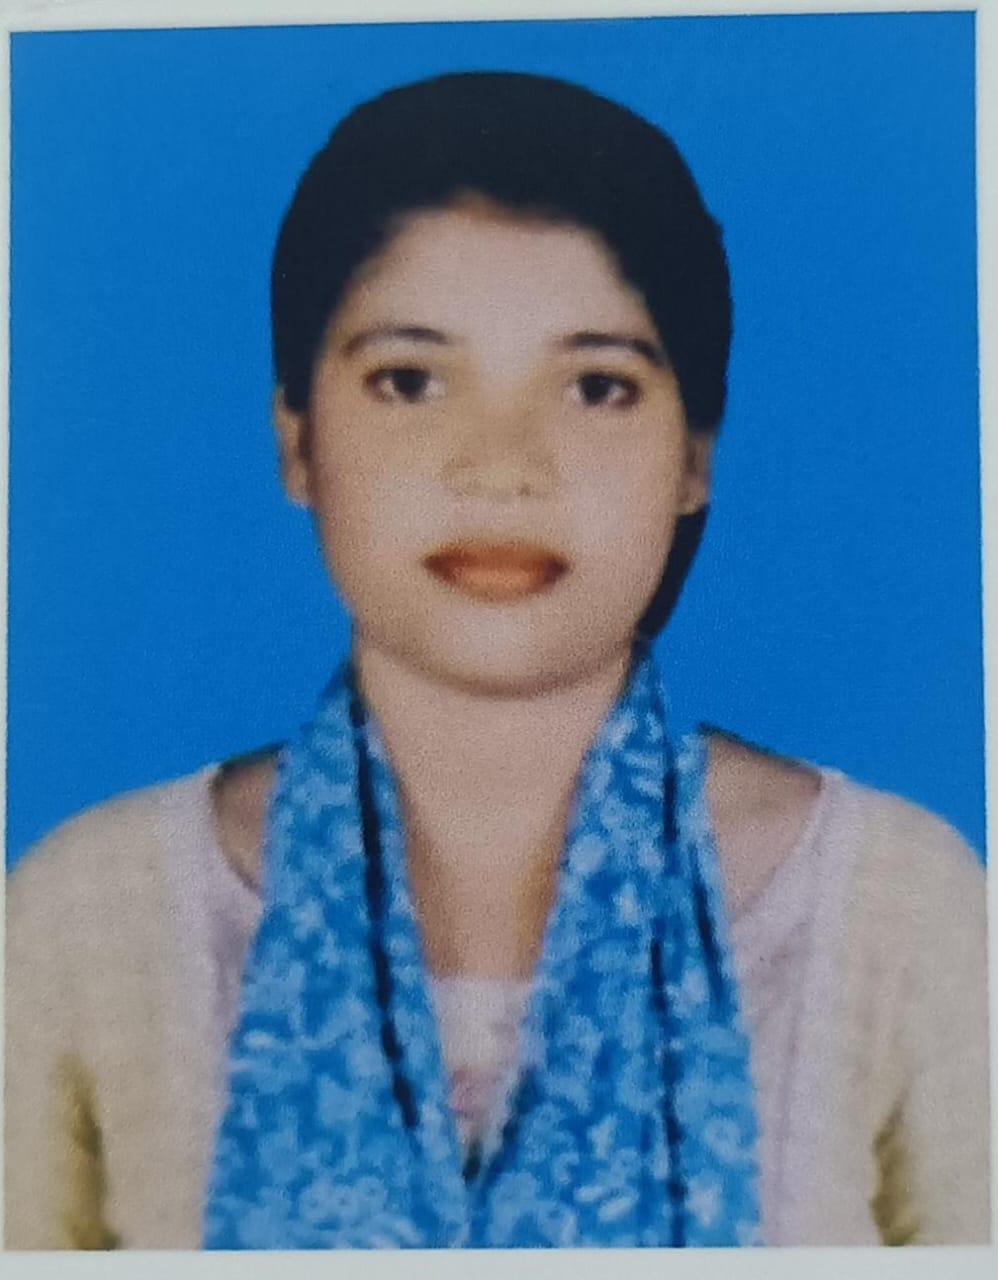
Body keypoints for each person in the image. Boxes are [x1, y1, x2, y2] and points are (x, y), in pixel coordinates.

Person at [4, 71, 989, 1250]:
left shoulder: (890, 908)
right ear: (296, 440)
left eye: (595, 386)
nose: (501, 466)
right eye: (410, 380)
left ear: (693, 456)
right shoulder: (92, 917)